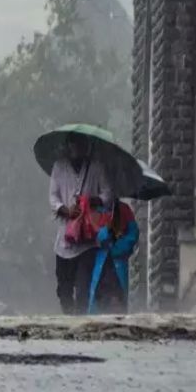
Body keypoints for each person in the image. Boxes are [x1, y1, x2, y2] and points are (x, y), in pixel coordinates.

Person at [48, 133, 113, 315]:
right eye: (72, 145)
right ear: (67, 147)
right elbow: (52, 196)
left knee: (83, 285)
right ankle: (68, 317)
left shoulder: (96, 167)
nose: (75, 149)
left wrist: (93, 201)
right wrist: (65, 210)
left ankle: (80, 319)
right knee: (63, 287)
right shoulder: (59, 167)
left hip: (87, 239)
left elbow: (108, 194)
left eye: (80, 145)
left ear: (86, 147)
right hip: (64, 238)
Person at [88, 199, 138, 315]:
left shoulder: (123, 209)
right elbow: (91, 233)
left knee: (117, 298)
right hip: (99, 263)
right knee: (98, 298)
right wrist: (106, 231)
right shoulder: (94, 210)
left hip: (118, 264)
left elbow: (132, 234)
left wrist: (118, 248)